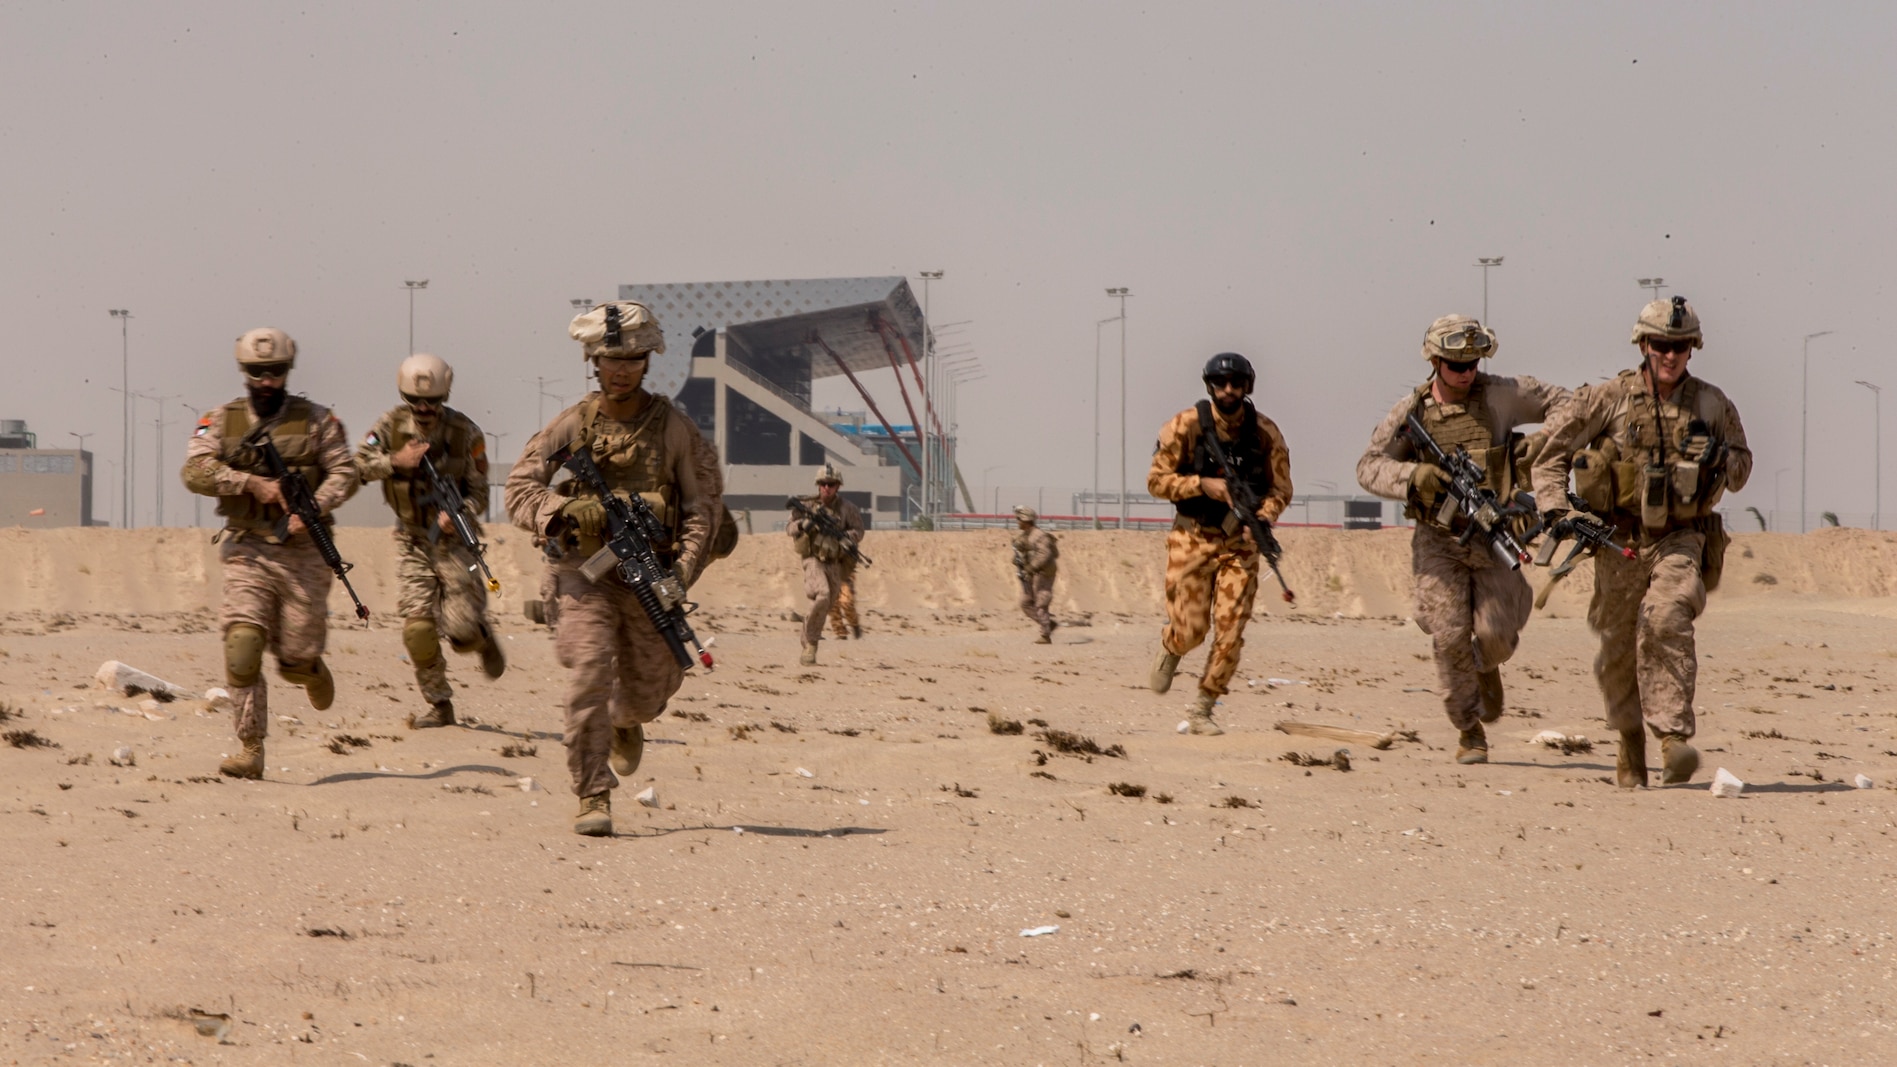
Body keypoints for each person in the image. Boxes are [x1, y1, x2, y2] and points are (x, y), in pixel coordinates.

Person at [505, 301, 712, 836]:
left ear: (649, 361)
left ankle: (625, 723)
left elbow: (701, 509)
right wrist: (565, 511)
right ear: (593, 362)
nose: (620, 370)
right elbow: (519, 490)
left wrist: (683, 571)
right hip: (582, 573)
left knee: (644, 694)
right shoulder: (572, 424)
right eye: (609, 360)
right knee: (590, 670)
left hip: (648, 577)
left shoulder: (675, 430)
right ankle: (593, 793)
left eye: (633, 359)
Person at [1532, 297, 1750, 787]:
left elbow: (1741, 469)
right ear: (1643, 345)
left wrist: (1719, 455)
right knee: (1616, 652)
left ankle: (1672, 740)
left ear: (1692, 349)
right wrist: (1555, 508)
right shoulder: (1606, 399)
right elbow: (1548, 456)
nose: (1670, 356)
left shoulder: (1712, 405)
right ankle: (1630, 738)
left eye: (1679, 347)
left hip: (1680, 538)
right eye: (1660, 345)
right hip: (1617, 541)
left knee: (1667, 616)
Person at [1356, 315, 1570, 764]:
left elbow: (1571, 405)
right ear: (1435, 362)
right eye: (1455, 365)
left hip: (1494, 531)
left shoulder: (1501, 394)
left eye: (1472, 362)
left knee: (1495, 635)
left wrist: (1542, 444)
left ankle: (1485, 667)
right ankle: (1469, 728)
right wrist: (1414, 475)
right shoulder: (1412, 412)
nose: (1466, 372)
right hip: (1438, 541)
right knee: (1449, 635)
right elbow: (1369, 466)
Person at [181, 328, 358, 778]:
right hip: (248, 548)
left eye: (276, 372)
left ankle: (310, 669)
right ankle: (250, 747)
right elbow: (194, 470)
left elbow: (345, 471)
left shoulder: (318, 420)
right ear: (244, 372)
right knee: (242, 645)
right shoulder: (220, 420)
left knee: (294, 659)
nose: (267, 381)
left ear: (287, 373)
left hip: (303, 554)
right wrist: (249, 483)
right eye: (258, 373)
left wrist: (313, 508)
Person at [354, 353, 505, 728]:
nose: (423, 409)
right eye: (415, 401)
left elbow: (481, 492)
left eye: (433, 402)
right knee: (418, 630)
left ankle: (481, 638)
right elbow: (357, 465)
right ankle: (439, 704)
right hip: (412, 542)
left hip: (456, 545)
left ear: (445, 396)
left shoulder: (466, 434)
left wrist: (460, 513)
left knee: (461, 633)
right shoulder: (389, 426)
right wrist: (395, 461)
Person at [1146, 353, 1293, 735]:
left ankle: (1203, 708)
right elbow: (1156, 481)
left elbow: (1281, 488)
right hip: (1192, 537)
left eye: (1237, 383)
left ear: (1248, 386)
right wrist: (1202, 485)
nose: (1229, 391)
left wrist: (1263, 515)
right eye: (1221, 383)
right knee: (1192, 631)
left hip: (1240, 545)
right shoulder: (1185, 426)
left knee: (1231, 630)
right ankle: (1172, 645)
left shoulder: (1265, 433)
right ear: (1209, 385)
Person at [788, 465, 864, 665]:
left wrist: (846, 536)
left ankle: (807, 626)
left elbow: (859, 531)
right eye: (823, 484)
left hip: (835, 562)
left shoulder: (848, 509)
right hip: (813, 559)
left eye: (831, 484)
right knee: (822, 595)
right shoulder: (806, 505)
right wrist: (803, 525)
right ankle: (811, 646)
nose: (826, 488)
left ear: (838, 486)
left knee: (827, 604)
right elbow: (790, 527)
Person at [1011, 505, 1060, 643]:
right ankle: (1048, 624)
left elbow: (1044, 554)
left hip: (1043, 573)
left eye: (1019, 519)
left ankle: (1045, 635)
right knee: (1025, 603)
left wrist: (1031, 567)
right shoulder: (1025, 536)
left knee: (1041, 602)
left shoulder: (1039, 536)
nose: (1017, 522)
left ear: (1025, 520)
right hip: (1031, 574)